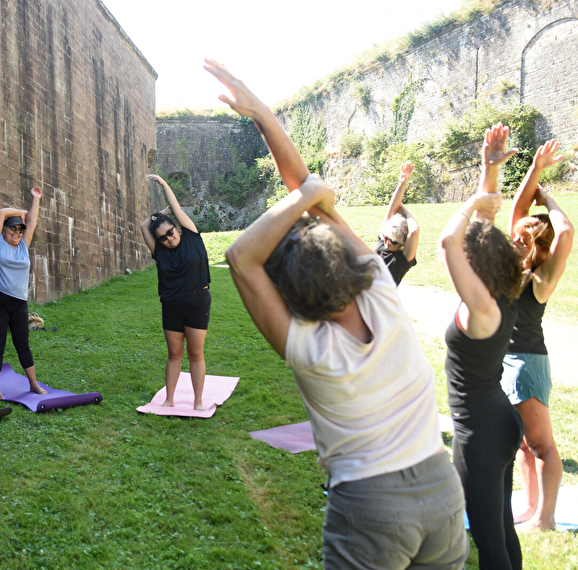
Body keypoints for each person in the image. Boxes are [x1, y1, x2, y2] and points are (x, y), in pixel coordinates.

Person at [209, 58, 467, 569]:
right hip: (442, 490)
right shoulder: (380, 290)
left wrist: (301, 193)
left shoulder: (309, 349)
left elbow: (240, 256)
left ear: (290, 298)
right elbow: (309, 191)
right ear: (344, 260)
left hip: (372, 506)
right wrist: (264, 116)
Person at [439, 123, 525, 569]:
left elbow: (449, 241)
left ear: (477, 265)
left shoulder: (481, 306)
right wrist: (488, 169)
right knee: (502, 529)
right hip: (500, 419)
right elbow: (481, 229)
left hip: (481, 434)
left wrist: (472, 202)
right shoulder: (501, 293)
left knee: (489, 542)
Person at [503, 139, 574, 531]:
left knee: (541, 444)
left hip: (527, 361)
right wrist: (535, 168)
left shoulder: (540, 280)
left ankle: (545, 519)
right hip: (508, 360)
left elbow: (567, 230)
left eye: (525, 236)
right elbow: (517, 209)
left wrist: (546, 196)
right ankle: (530, 509)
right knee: (524, 445)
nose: (516, 236)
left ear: (538, 245)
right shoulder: (514, 264)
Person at [139, 174, 211, 411]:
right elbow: (142, 226)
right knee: (174, 353)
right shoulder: (159, 251)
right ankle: (169, 399)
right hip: (171, 306)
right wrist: (160, 215)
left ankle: (198, 401)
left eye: (170, 232)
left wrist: (163, 184)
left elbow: (177, 207)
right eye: (163, 237)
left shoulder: (191, 235)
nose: (169, 238)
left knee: (196, 354)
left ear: (177, 227)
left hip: (197, 302)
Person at [0, 187, 48, 399]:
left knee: (23, 344)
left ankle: (33, 384)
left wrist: (35, 199)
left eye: (20, 230)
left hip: (19, 303)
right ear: (3, 230)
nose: (17, 232)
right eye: (13, 229)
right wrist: (20, 212)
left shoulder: (22, 246)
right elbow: (1, 213)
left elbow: (33, 222)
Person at [376, 161, 420, 285]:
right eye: (386, 238)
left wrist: (407, 213)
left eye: (393, 241)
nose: (387, 242)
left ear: (402, 244)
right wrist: (403, 182)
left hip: (381, 303)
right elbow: (391, 210)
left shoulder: (402, 260)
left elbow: (414, 232)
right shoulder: (383, 243)